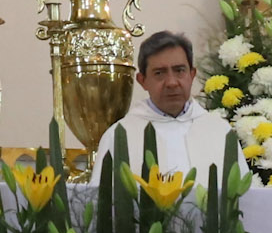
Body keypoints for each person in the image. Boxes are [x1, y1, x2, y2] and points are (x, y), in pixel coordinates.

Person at [97, 31, 231, 190]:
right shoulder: (119, 136)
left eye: (179, 70)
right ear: (142, 81)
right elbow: (102, 204)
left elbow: (243, 201)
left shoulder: (220, 132)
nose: (172, 82)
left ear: (192, 75)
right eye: (159, 73)